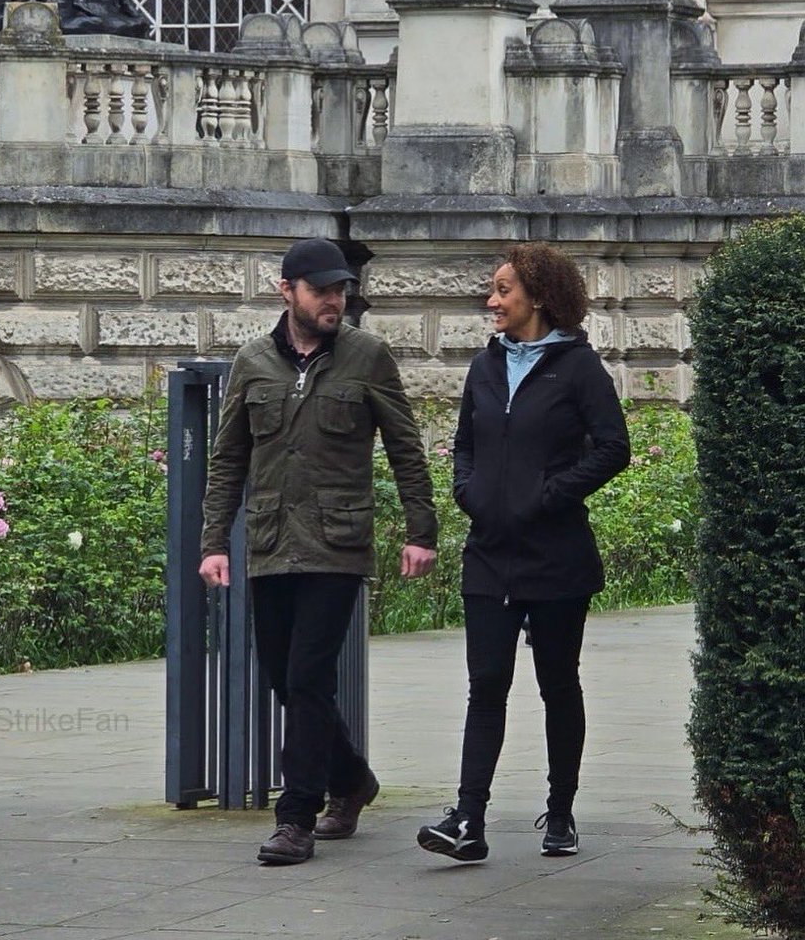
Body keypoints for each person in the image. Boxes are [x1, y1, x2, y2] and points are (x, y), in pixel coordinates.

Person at [199, 237, 438, 866]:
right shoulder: (252, 361)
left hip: (337, 544)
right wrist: (213, 542)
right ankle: (353, 778)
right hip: (272, 543)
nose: (336, 300)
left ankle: (296, 818)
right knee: (286, 680)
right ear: (288, 292)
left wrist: (422, 530)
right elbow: (228, 459)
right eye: (322, 290)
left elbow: (405, 447)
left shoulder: (367, 357)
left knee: (308, 675)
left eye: (341, 291)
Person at [417, 242, 630, 863]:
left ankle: (560, 810)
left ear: (537, 296)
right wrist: (468, 490)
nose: (492, 300)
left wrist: (548, 496)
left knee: (557, 684)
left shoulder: (578, 368)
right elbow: (464, 443)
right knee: (486, 686)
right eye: (493, 289)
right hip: (489, 553)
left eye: (504, 290)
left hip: (555, 556)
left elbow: (612, 448)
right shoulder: (485, 366)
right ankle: (468, 821)